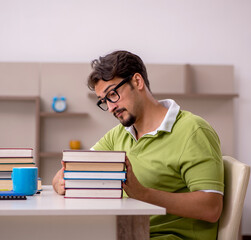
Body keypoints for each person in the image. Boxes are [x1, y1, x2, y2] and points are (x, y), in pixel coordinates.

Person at [53, 50, 224, 240]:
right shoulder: (118, 135)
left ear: (137, 81)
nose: (110, 108)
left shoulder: (192, 130)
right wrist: (61, 182)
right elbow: (63, 174)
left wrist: (142, 193)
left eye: (112, 94)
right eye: (104, 101)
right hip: (127, 232)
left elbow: (211, 208)